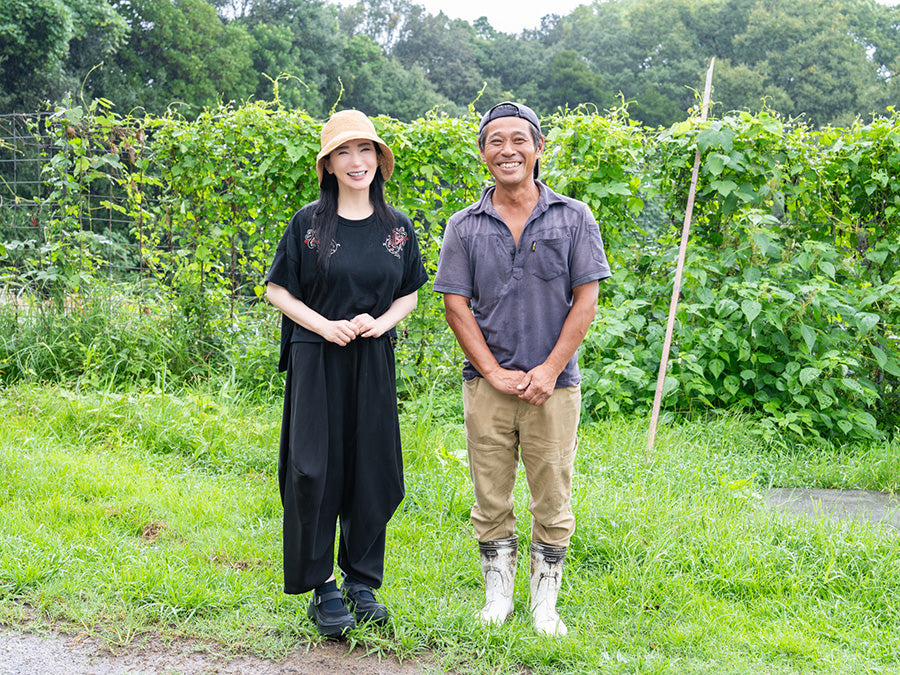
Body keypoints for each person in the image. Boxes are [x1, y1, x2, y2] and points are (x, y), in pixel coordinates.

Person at [433, 101, 610, 637]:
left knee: (552, 492)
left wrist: (551, 369)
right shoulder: (463, 225)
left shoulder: (574, 217)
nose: (507, 150)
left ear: (538, 148)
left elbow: (586, 298)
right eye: (495, 141)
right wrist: (491, 372)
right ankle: (497, 598)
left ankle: (545, 605)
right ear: (483, 152)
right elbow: (455, 306)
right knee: (489, 491)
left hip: (553, 388)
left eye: (518, 140)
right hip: (487, 386)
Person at [265, 110, 428, 638]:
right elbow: (278, 290)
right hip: (317, 359)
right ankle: (322, 585)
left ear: (380, 160)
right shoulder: (308, 223)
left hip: (371, 359)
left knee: (371, 467)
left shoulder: (397, 228)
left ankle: (362, 581)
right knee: (313, 470)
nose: (356, 162)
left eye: (365, 151)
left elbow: (411, 291)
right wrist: (324, 325)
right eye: (343, 152)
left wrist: (380, 323)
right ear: (328, 165)